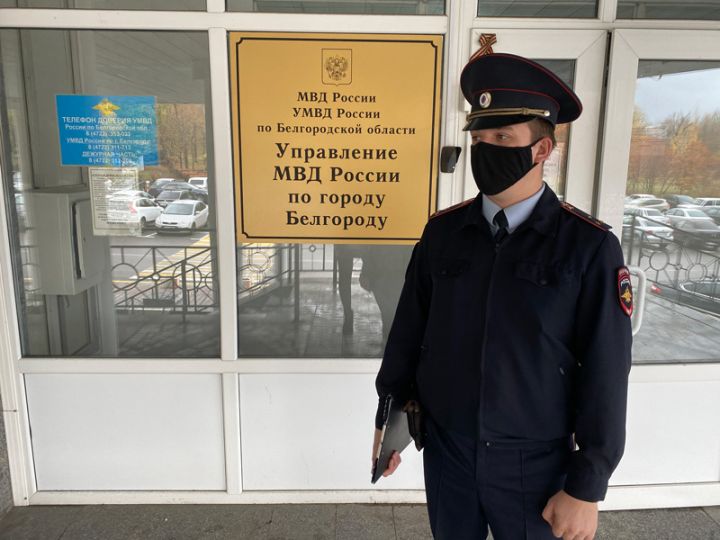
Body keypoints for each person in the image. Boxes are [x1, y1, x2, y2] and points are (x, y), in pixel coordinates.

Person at [372, 43, 633, 540]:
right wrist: (391, 425)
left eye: (502, 136)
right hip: (448, 449)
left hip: (536, 461)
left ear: (542, 150)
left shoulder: (589, 246)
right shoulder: (443, 233)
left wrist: (587, 486)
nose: (486, 148)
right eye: (479, 137)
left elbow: (606, 369)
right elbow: (409, 332)